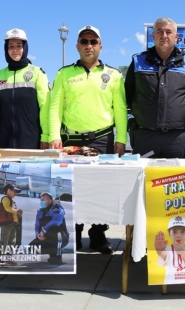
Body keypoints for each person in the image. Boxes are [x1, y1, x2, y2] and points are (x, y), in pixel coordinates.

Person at [49, 25, 127, 254]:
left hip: (102, 139)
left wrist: (121, 138)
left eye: (93, 42)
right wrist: (54, 135)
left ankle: (98, 233)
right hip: (70, 140)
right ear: (77, 46)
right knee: (70, 190)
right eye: (84, 41)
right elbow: (55, 108)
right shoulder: (64, 73)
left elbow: (120, 110)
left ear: (101, 46)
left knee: (100, 190)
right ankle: (74, 233)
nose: (89, 45)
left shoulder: (114, 75)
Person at [125, 17, 185, 158]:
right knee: (143, 179)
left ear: (176, 37)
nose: (164, 36)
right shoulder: (138, 62)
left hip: (179, 139)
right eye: (159, 31)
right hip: (145, 137)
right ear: (153, 36)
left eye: (168, 31)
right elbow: (129, 96)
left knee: (179, 179)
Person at [0, 28, 50, 152]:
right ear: (6, 49)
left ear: (25, 48)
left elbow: (45, 108)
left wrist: (45, 136)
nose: (15, 50)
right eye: (11, 46)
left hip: (31, 143)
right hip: (1, 143)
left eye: (19, 46)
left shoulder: (37, 73)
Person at [154, 215, 185, 283]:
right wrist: (159, 250)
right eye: (174, 232)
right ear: (169, 233)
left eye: (182, 232)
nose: (178, 235)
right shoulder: (167, 249)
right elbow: (163, 254)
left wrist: (184, 254)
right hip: (171, 287)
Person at [28, 192, 70, 265]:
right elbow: (37, 225)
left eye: (43, 200)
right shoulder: (40, 211)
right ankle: (52, 252)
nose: (41, 202)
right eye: (41, 200)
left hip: (61, 237)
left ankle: (57, 256)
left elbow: (56, 221)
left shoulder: (57, 208)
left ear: (50, 200)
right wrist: (38, 235)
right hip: (46, 237)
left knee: (54, 228)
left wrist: (43, 231)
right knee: (31, 248)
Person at [0, 184, 23, 266]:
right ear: (8, 190)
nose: (15, 193)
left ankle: (9, 258)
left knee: (12, 242)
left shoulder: (11, 200)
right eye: (14, 191)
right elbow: (7, 208)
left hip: (12, 224)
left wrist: (18, 215)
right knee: (4, 241)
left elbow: (11, 211)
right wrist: (16, 212)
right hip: (6, 223)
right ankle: (1, 259)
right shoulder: (5, 198)